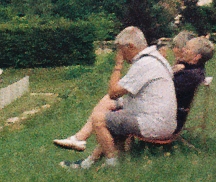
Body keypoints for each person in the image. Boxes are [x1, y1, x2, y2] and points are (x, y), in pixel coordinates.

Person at [54, 27, 176, 168]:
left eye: (120, 50)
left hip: (153, 124)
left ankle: (112, 164)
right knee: (109, 105)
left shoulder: (145, 64)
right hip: (159, 119)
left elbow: (114, 92)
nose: (120, 54)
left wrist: (118, 65)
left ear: (130, 46)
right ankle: (85, 153)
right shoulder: (154, 59)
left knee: (99, 119)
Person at [172, 35, 213, 134]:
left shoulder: (191, 75)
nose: (183, 50)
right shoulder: (189, 68)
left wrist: (169, 71)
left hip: (171, 120)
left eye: (188, 48)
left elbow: (162, 89)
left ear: (196, 56)